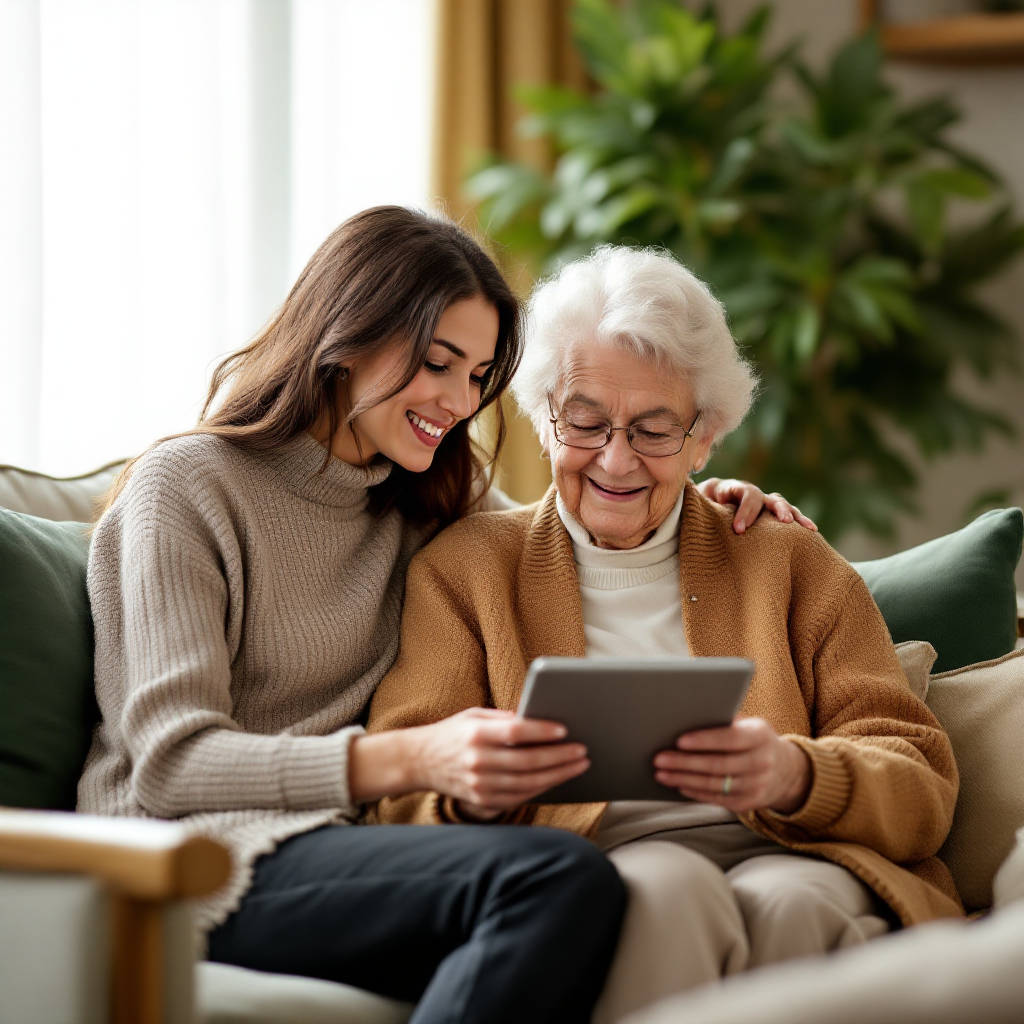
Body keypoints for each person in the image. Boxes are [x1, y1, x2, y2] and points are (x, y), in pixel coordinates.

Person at [78, 209, 798, 1024]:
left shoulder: (427, 501)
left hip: (349, 853)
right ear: (345, 338)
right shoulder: (186, 487)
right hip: (187, 858)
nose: (459, 401)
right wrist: (416, 757)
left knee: (590, 888)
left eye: (478, 375)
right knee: (554, 877)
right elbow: (172, 766)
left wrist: (706, 504)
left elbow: (573, 520)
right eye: (437, 363)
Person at [366, 245, 963, 1023]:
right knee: (662, 887)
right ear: (545, 420)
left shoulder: (784, 558)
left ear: (704, 437)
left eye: (654, 430)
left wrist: (793, 774)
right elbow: (403, 787)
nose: (616, 459)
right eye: (585, 421)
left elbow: (920, 779)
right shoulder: (466, 570)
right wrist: (483, 789)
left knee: (794, 906)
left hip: (797, 850)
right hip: (592, 868)